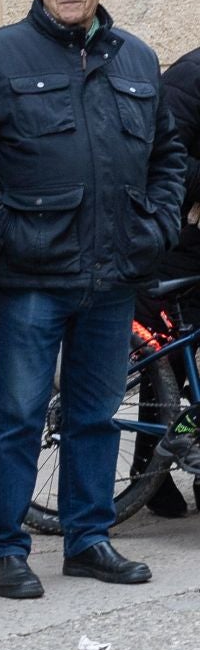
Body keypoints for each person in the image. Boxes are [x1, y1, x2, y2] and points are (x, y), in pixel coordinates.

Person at [0, 0, 184, 598]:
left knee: (94, 416)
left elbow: (168, 156)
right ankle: (5, 550)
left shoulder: (138, 61)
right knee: (20, 417)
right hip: (32, 279)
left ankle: (88, 540)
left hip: (115, 278)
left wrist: (159, 225)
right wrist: (9, 232)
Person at [136, 42, 200, 518]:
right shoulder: (190, 75)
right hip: (179, 240)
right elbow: (165, 152)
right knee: (171, 361)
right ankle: (149, 474)